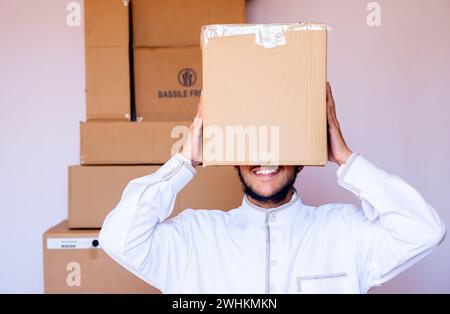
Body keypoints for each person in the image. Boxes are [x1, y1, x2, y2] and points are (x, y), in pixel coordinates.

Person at [99, 83, 445, 294]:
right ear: (232, 157)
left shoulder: (344, 232)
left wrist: (346, 159)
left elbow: (424, 230)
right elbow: (119, 238)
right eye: (252, 145)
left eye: (281, 143)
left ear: (305, 156)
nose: (266, 158)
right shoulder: (194, 237)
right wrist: (185, 161)